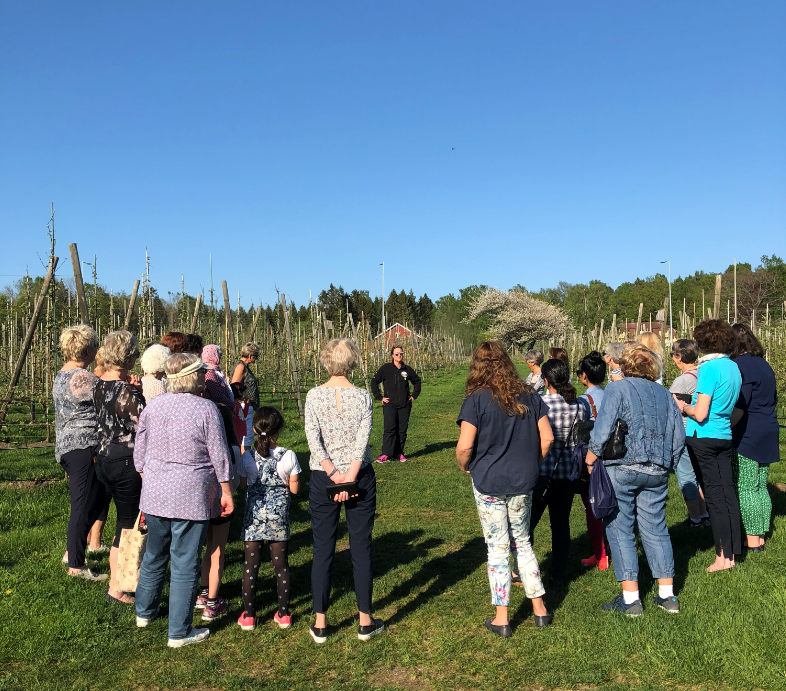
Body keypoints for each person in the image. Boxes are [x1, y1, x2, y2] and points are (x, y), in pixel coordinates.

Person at [133, 353, 234, 648]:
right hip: (191, 495)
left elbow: (139, 454)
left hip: (155, 494)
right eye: (201, 372)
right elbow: (220, 455)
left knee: (154, 554)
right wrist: (227, 491)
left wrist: (152, 479)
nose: (205, 376)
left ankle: (144, 612)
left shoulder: (153, 406)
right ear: (193, 377)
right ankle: (179, 631)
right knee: (185, 562)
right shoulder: (206, 409)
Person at [456, 341, 554, 638]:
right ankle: (539, 608)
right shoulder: (529, 395)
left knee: (497, 547)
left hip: (489, 481)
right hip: (523, 480)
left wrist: (465, 465)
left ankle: (502, 617)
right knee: (522, 542)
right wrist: (533, 462)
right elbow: (547, 438)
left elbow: (465, 446)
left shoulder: (477, 400)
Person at [586, 344, 684, 615]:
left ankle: (631, 600)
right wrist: (670, 462)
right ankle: (667, 596)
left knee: (620, 529)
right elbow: (679, 436)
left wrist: (591, 458)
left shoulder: (617, 388)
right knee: (656, 528)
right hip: (657, 468)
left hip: (622, 465)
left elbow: (603, 426)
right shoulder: (666, 394)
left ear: (626, 364)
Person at [305, 338, 383, 643]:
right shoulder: (363, 397)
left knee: (322, 548)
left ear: (326, 361)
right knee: (361, 547)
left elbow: (313, 438)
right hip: (358, 476)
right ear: (353, 362)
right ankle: (365, 620)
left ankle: (320, 622)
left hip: (323, 477)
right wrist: (349, 476)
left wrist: (333, 474)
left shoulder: (314, 396)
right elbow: (363, 439)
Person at [675, 320, 742, 572]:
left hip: (703, 436)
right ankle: (733, 553)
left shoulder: (708, 368)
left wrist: (683, 406)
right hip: (724, 434)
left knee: (713, 497)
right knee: (728, 493)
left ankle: (722, 557)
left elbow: (701, 413)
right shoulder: (733, 366)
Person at [236, 407, 301, 631]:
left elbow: (242, 487)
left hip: (254, 516)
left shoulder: (247, 457)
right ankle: (283, 614)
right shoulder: (289, 456)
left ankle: (249, 615)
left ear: (255, 430)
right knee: (281, 566)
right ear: (279, 430)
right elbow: (294, 489)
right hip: (278, 518)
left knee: (250, 566)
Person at [93, 330, 145, 604]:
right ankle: (118, 587)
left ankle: (119, 582)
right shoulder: (126, 391)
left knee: (121, 522)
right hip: (125, 460)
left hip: (103, 458)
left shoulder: (99, 385)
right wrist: (139, 393)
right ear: (129, 357)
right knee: (127, 526)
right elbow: (143, 424)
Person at [53, 325, 108, 581]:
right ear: (87, 350)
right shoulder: (82, 378)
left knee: (94, 500)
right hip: (83, 446)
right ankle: (75, 565)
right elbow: (108, 398)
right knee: (82, 505)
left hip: (68, 446)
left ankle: (73, 550)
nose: (96, 351)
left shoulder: (61, 375)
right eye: (95, 346)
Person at [528, 359, 586, 587]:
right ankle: (558, 574)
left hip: (542, 472)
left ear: (545, 381)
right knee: (560, 526)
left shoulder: (540, 404)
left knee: (527, 525)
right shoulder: (579, 406)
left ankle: (526, 569)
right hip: (568, 473)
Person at [730, 323, 779, 552]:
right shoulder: (763, 364)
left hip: (748, 431)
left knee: (746, 487)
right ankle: (760, 535)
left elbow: (741, 403)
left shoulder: (741, 366)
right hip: (768, 427)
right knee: (760, 486)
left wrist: (725, 425)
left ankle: (751, 540)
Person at [194, 399, 239, 622]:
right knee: (217, 550)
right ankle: (212, 601)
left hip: (203, 501)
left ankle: (203, 593)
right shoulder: (230, 451)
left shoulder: (201, 448)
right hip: (221, 502)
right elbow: (234, 480)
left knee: (207, 547)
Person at [669, 339, 709, 528]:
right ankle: (704, 513)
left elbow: (670, 406)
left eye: (673, 354)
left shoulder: (682, 381)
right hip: (701, 431)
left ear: (679, 357)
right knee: (697, 474)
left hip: (684, 431)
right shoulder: (703, 373)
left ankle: (695, 518)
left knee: (686, 476)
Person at [575, 351, 609, 570]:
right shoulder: (611, 395)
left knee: (592, 506)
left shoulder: (584, 401)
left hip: (592, 457)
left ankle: (601, 554)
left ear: (584, 376)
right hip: (612, 455)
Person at [371, 344, 421, 463]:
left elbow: (417, 382)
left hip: (404, 405)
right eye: (397, 354)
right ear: (392, 355)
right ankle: (386, 454)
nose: (399, 356)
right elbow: (374, 381)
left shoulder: (407, 369)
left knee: (402, 430)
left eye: (401, 353)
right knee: (390, 429)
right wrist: (380, 397)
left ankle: (399, 453)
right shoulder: (386, 369)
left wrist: (413, 396)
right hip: (390, 405)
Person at [231, 342, 260, 411]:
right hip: (245, 407)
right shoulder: (241, 367)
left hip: (248, 406)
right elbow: (234, 387)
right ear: (250, 356)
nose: (256, 358)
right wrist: (242, 400)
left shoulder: (244, 366)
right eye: (256, 356)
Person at [232, 381, 254, 455]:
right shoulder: (234, 406)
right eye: (243, 392)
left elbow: (243, 415)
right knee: (238, 448)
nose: (245, 394)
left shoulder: (238, 405)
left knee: (240, 446)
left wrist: (246, 405)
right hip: (237, 432)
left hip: (241, 431)